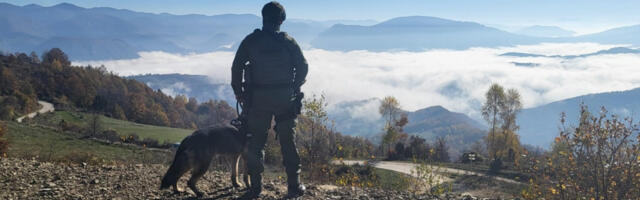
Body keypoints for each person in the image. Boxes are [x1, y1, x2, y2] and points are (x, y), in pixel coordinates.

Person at [230, 1, 308, 199]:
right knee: (288, 142)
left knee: (256, 142)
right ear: (282, 20)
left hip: (257, 99)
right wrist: (294, 86)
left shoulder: (251, 41)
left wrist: (239, 92)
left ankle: (255, 187)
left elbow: (236, 68)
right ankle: (293, 186)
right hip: (285, 99)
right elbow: (303, 66)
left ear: (263, 18)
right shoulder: (288, 41)